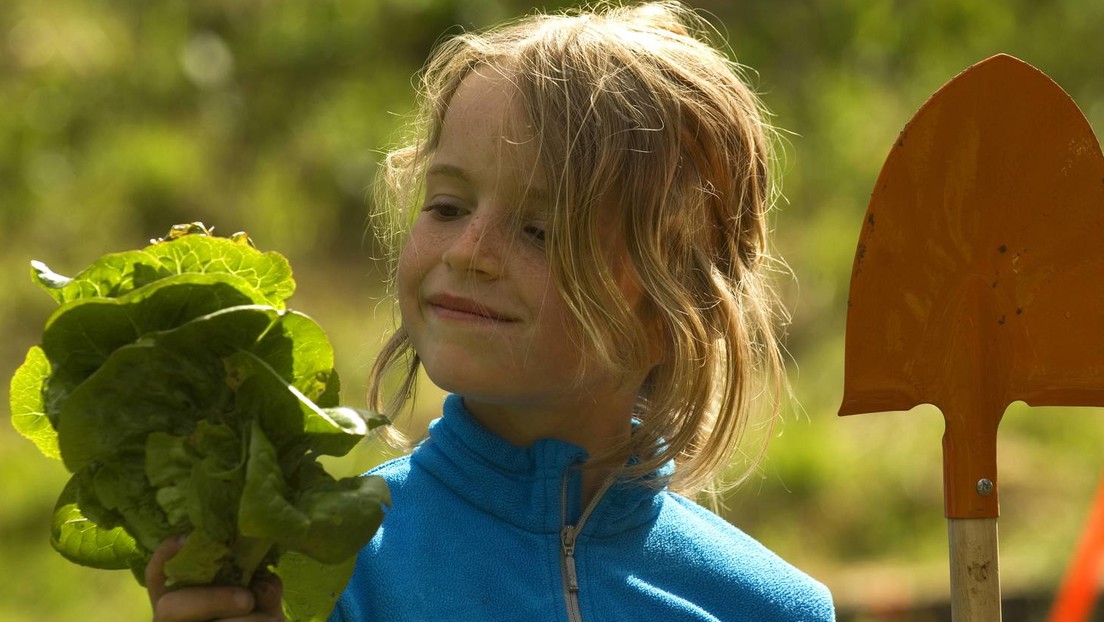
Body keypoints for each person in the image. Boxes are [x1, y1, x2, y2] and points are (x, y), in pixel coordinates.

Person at [147, 2, 836, 620]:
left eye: (539, 230)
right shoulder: (325, 569)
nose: (470, 252)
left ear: (672, 301)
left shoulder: (768, 605)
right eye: (447, 207)